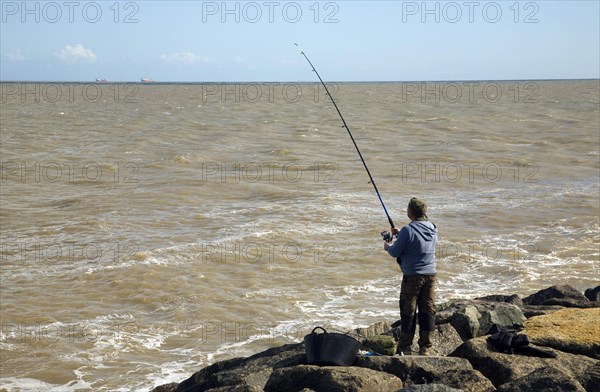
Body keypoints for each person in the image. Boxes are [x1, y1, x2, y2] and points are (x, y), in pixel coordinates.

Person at [383, 197, 437, 356]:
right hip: (431, 275)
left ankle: (406, 347)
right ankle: (426, 347)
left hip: (413, 276)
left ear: (410, 213)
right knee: (428, 310)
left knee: (408, 311)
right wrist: (401, 234)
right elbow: (418, 242)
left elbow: (395, 252)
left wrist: (387, 246)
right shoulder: (433, 228)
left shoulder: (408, 230)